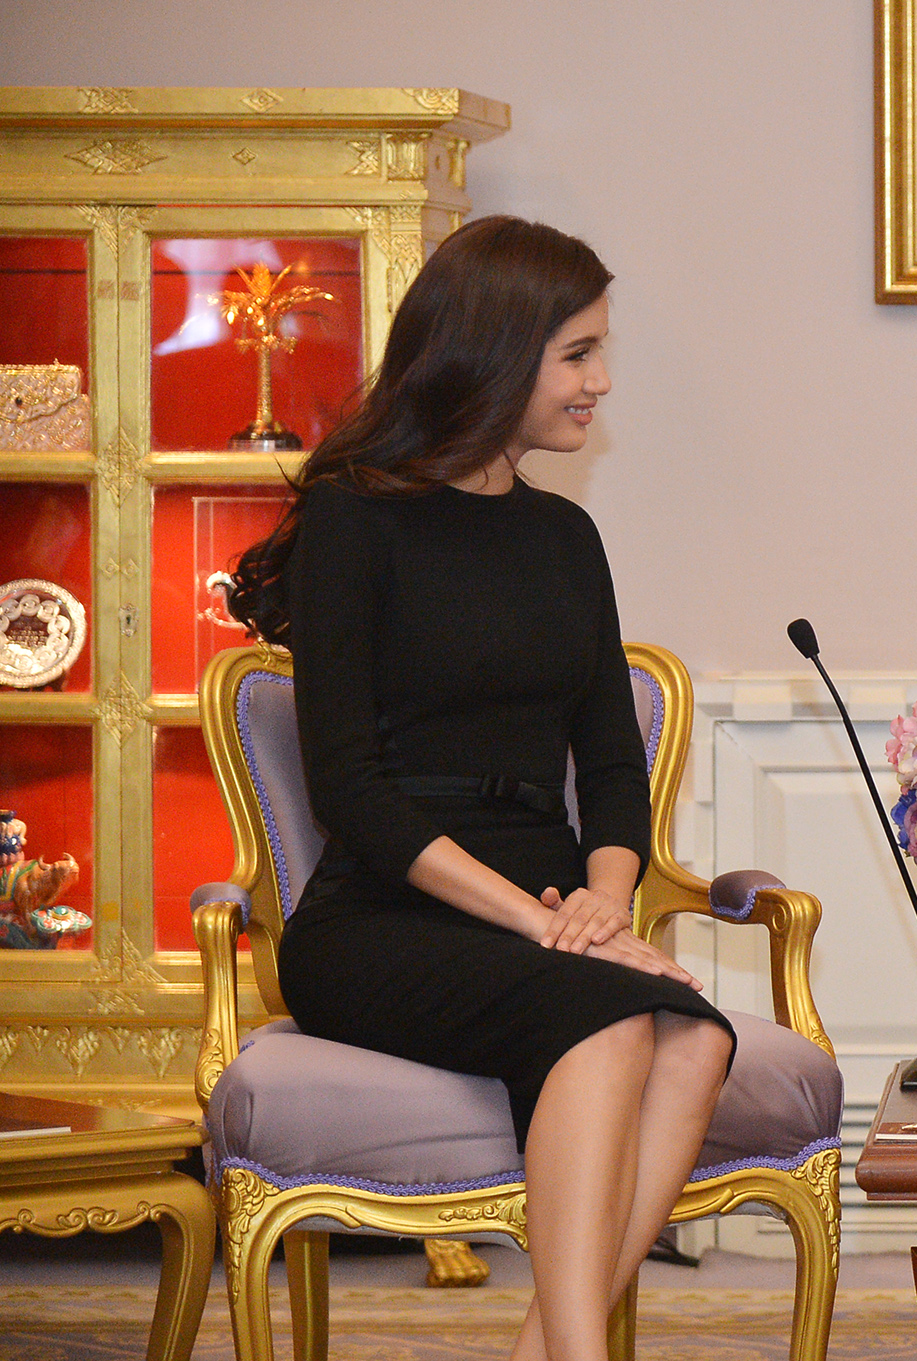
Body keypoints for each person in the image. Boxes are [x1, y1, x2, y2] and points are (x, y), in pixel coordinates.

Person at [225, 216, 737, 1361]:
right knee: (611, 1023)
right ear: (494, 353)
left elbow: (612, 763)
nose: (601, 383)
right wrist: (548, 926)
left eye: (601, 352)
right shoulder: (357, 520)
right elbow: (349, 787)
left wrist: (604, 898)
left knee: (695, 1037)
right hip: (382, 915)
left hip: (548, 907)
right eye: (578, 354)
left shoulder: (565, 535)